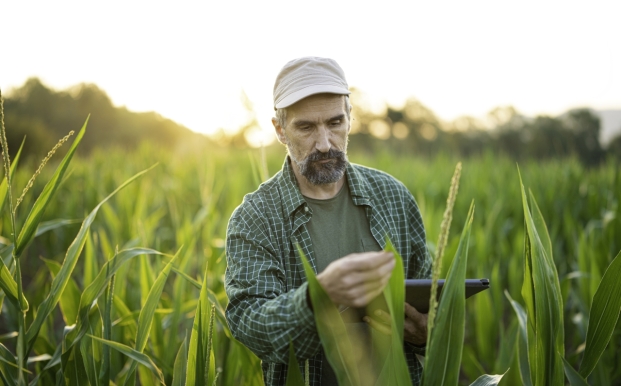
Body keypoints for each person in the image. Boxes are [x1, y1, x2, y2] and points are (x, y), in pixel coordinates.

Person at [225, 57, 432, 386]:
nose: (324, 144)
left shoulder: (394, 197)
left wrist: (424, 333)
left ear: (350, 118)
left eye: (335, 123)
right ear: (280, 130)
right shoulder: (256, 216)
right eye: (306, 127)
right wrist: (316, 298)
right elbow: (248, 322)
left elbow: (428, 295)